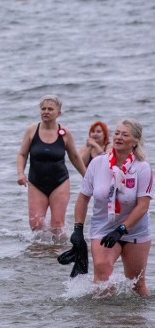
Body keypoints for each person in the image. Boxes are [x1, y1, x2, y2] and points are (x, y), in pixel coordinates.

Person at [69, 119, 152, 295]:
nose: (119, 137)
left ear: (135, 141)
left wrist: (122, 229)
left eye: (125, 134)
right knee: (101, 275)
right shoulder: (98, 163)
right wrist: (77, 229)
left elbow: (143, 206)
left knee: (137, 284)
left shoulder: (142, 168)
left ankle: (142, 320)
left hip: (135, 230)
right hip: (104, 227)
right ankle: (104, 320)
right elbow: (83, 198)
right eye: (117, 133)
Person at [16, 95, 87, 234]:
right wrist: (20, 173)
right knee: (36, 225)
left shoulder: (65, 133)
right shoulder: (31, 130)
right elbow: (22, 154)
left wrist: (87, 176)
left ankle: (57, 251)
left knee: (57, 226)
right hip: (36, 183)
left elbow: (74, 157)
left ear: (58, 113)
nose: (46, 112)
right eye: (43, 109)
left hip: (59, 182)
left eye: (50, 109)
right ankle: (38, 253)